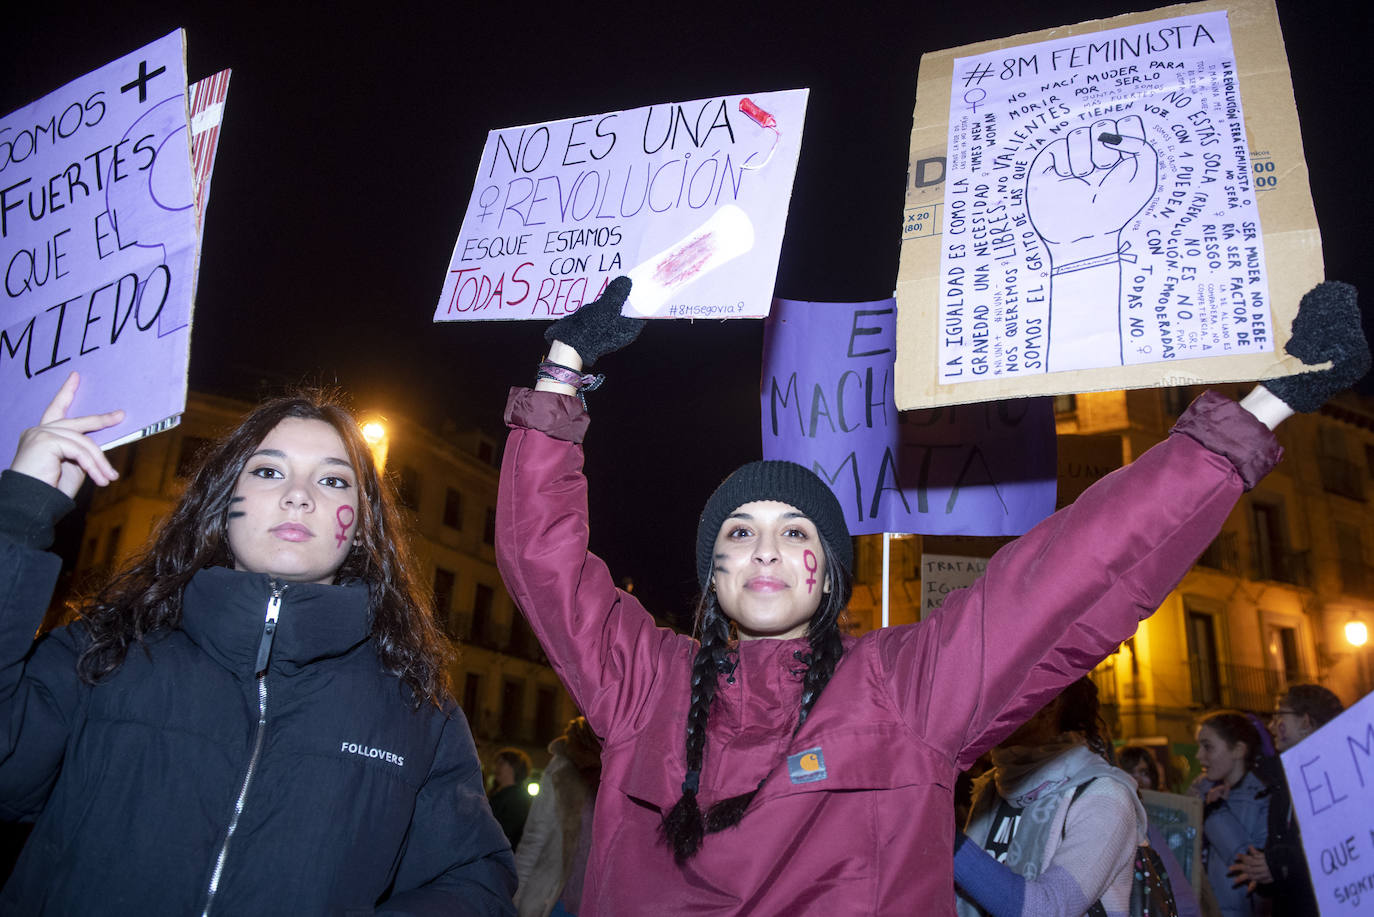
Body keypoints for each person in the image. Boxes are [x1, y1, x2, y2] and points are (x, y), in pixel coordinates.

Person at [495, 278, 1365, 915]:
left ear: (830, 575)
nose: (766, 545)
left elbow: (1072, 570)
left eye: (797, 532)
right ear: (714, 574)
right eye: (739, 531)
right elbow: (542, 560)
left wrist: (1259, 410)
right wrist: (561, 371)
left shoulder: (904, 686)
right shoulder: (643, 681)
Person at [0, 374, 515, 915]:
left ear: (362, 526)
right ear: (223, 505)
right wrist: (17, 517)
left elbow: (475, 881)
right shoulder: (107, 649)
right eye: (269, 472)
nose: (298, 495)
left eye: (335, 482)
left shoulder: (417, 709)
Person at [954, 677, 1154, 916]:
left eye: (1004, 692)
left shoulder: (1105, 795)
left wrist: (947, 841)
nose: (988, 707)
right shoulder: (992, 786)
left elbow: (1049, 909)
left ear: (1049, 703)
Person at [1229, 683, 1345, 916]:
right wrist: (1263, 870)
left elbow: (1340, 846)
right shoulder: (1284, 781)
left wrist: (1279, 864)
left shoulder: (1339, 776)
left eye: (1279, 715)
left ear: (1305, 722)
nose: (1271, 726)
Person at [515, 717, 603, 917]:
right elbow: (535, 836)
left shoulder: (626, 765)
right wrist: (517, 897)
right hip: (558, 900)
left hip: (603, 901)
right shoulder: (564, 765)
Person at [1192, 712, 1269, 917]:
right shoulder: (1199, 789)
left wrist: (1213, 812)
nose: (1199, 755)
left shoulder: (1263, 796)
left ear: (1238, 750)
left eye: (1208, 747)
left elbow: (1249, 865)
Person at [490, 747, 534, 850]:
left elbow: (507, 830)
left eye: (501, 763)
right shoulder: (498, 793)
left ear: (514, 767)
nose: (496, 767)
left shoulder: (519, 798)